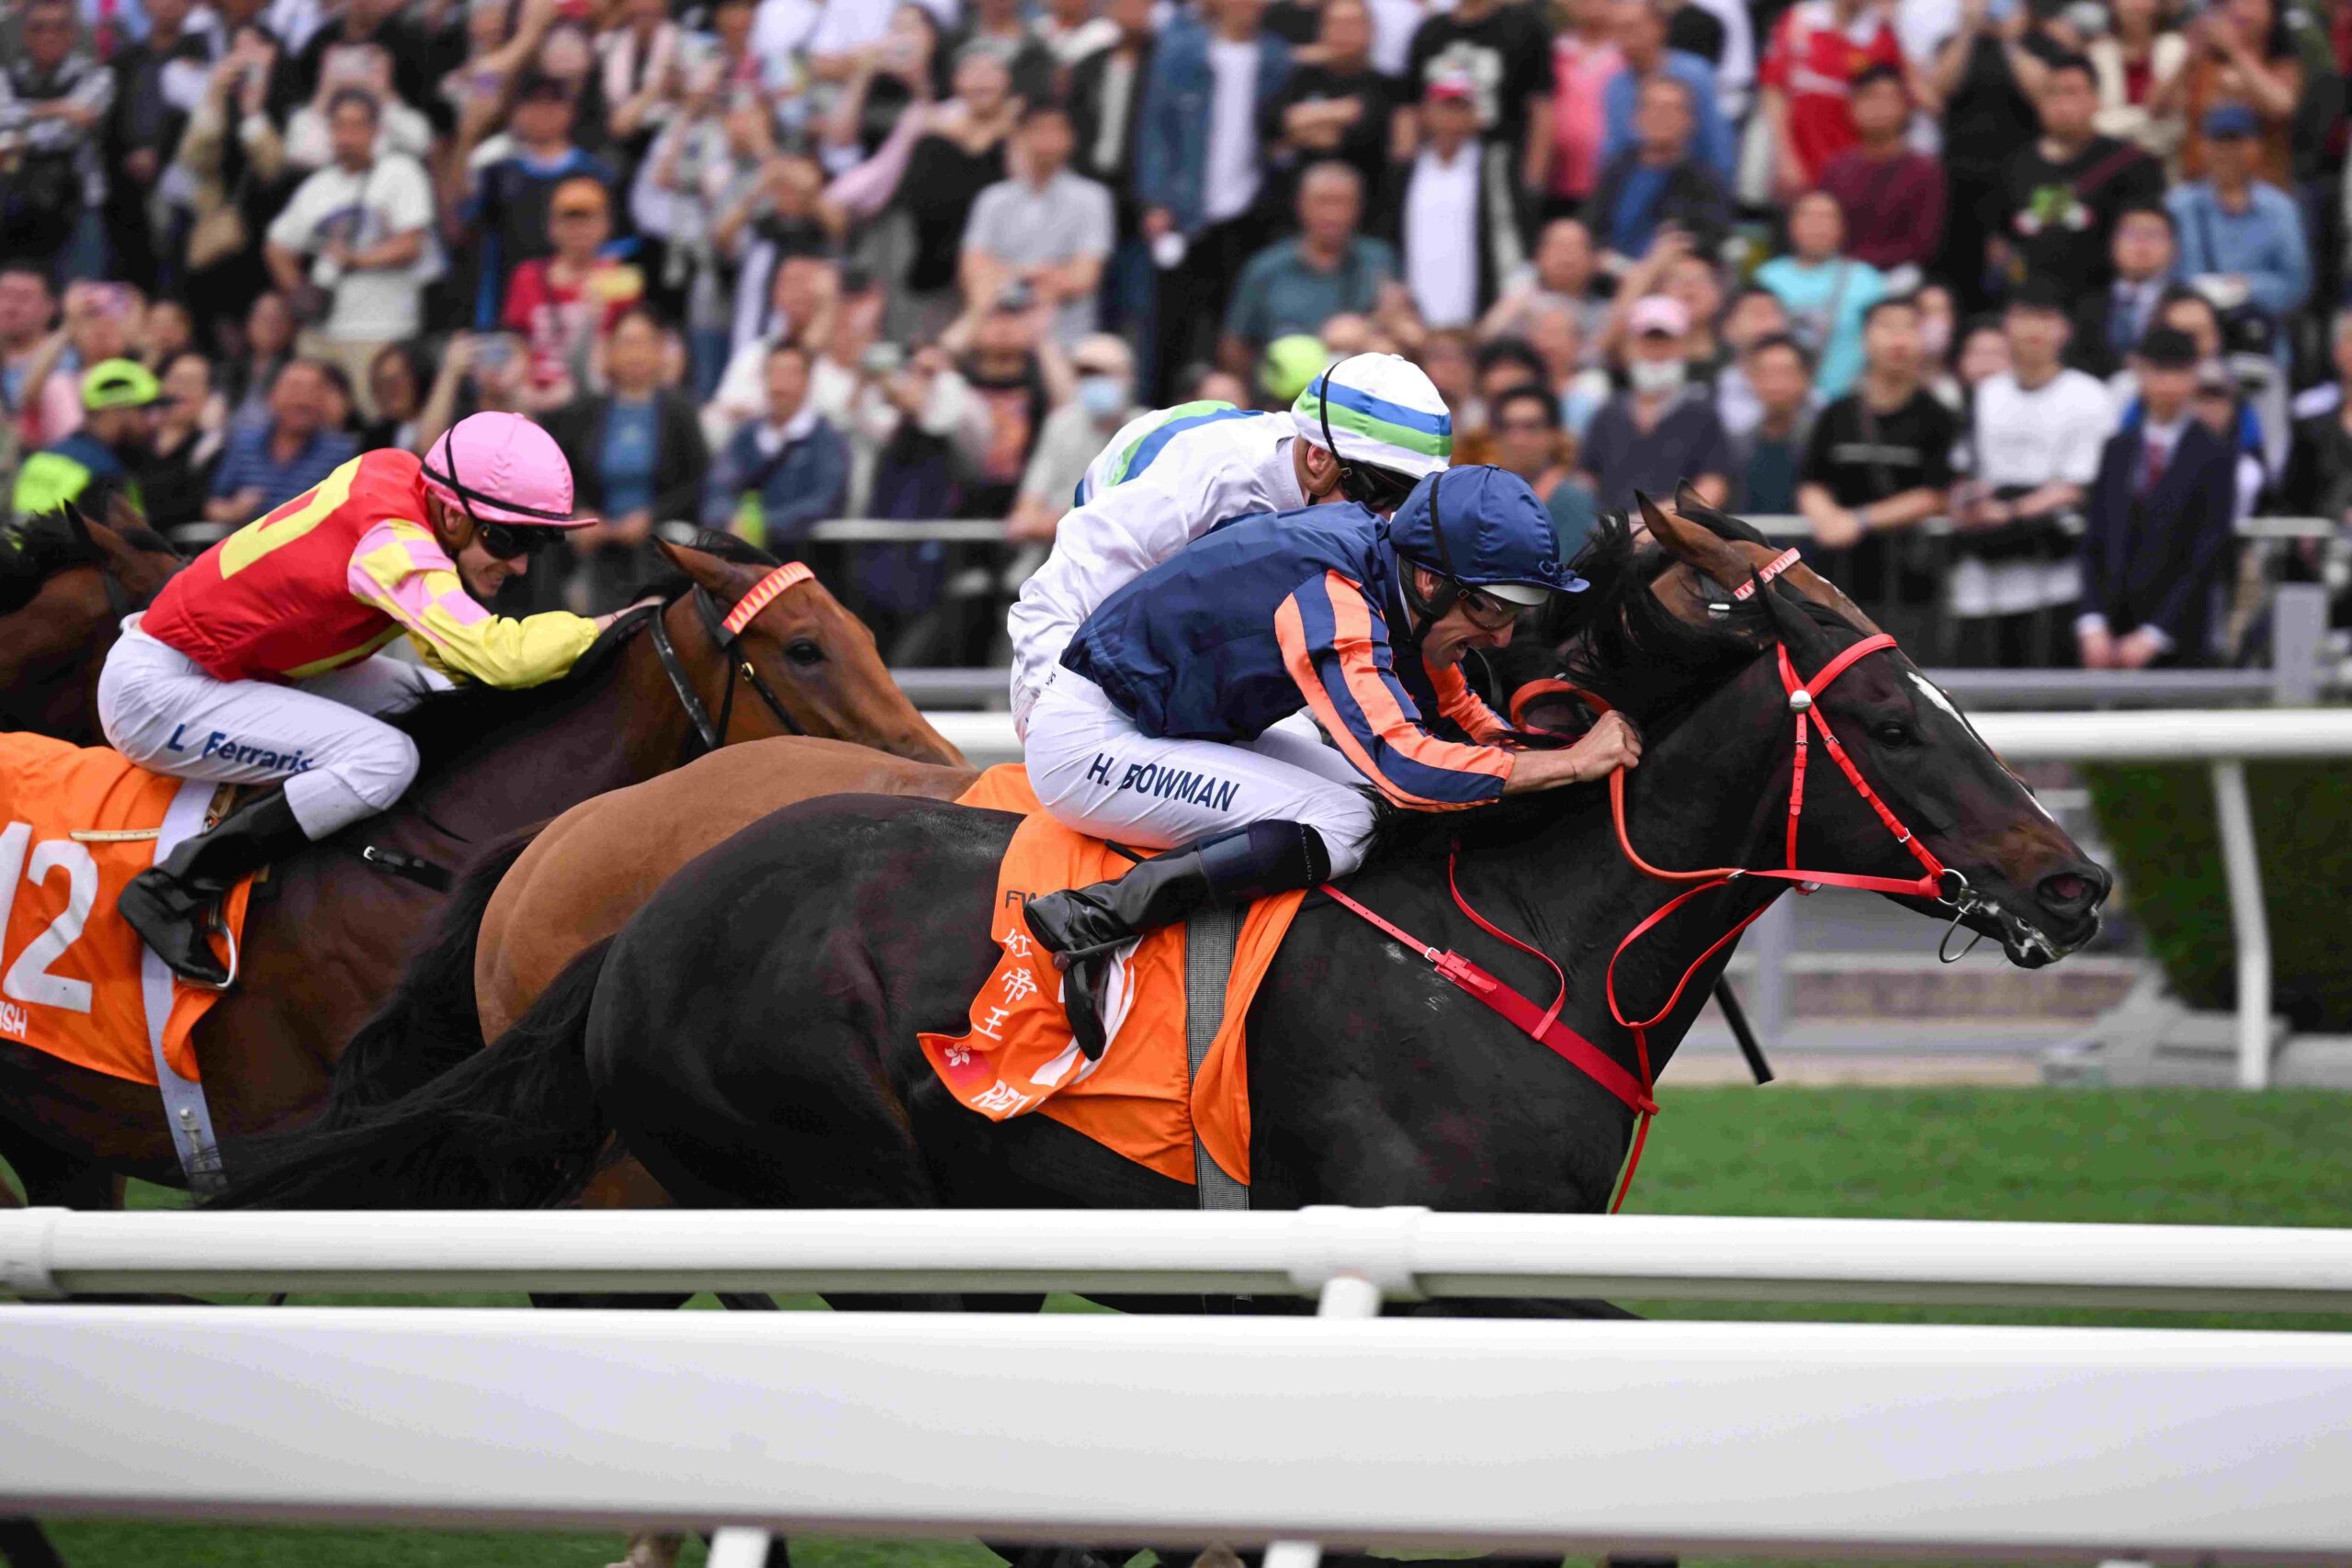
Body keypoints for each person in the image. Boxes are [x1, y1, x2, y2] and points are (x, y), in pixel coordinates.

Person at [1021, 464, 1636, 1055]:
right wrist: (1572, 764)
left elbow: (1458, 711)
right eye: (1494, 607)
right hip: (1092, 739)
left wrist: (1542, 752)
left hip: (1182, 727)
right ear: (1432, 582)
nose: (1503, 636)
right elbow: (1405, 765)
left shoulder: (1392, 574)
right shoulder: (1334, 586)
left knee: (1375, 809)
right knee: (1347, 817)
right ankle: (1093, 919)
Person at [97, 412, 618, 985]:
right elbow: (499, 656)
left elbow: (457, 661)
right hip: (161, 691)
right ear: (450, 511)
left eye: (536, 543)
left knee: (437, 698)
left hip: (237, 667)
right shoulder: (393, 545)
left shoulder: (401, 475)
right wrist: (608, 627)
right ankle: (171, 888)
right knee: (384, 759)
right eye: (507, 538)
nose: (518, 563)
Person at [1008, 351, 1450, 740]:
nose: (1387, 520)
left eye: (1408, 500)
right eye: (1382, 493)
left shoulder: (1328, 473)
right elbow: (1052, 602)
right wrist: (1060, 721)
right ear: (1318, 459)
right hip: (1080, 648)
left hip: (1201, 664)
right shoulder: (1200, 477)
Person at [1948, 280, 2113, 667]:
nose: (2033, 330)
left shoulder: (2088, 395)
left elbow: (2078, 487)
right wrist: (1967, 503)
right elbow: (1962, 471)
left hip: (2056, 583)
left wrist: (2009, 511)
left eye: (2045, 319)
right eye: (2024, 318)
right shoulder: (1985, 393)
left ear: (2065, 329)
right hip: (1982, 583)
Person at [263, 87, 435, 417]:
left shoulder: (399, 172)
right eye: (339, 126)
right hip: (321, 335)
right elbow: (277, 245)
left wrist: (355, 259)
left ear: (375, 131)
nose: (347, 136)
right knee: (315, 432)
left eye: (357, 126)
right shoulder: (316, 187)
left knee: (376, 430)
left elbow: (412, 244)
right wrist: (297, 290)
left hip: (382, 333)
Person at [1796, 295, 1958, 643]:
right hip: (1836, 582)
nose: (1898, 339)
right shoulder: (1836, 414)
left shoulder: (1938, 418)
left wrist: (1858, 521)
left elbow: (1937, 495)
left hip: (1911, 586)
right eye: (1886, 327)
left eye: (1909, 327)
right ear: (1864, 339)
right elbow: (1812, 481)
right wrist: (1825, 519)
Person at [2076, 326, 2236, 670]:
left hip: (2181, 639)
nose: (2168, 384)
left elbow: (2207, 553)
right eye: (2158, 371)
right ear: (2139, 373)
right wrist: (2092, 621)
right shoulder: (2117, 449)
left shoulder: (2215, 454)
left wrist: (2155, 634)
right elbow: (2095, 539)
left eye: (2179, 372)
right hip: (2109, 634)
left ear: (2195, 376)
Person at [541, 309, 709, 613]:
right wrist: (582, 516)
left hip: (663, 544)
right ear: (609, 352)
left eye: (642, 343)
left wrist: (651, 517)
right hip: (597, 544)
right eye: (625, 343)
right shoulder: (586, 412)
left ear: (659, 351)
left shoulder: (679, 411)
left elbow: (698, 481)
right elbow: (564, 475)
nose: (634, 354)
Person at [1997, 54, 2165, 299]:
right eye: (2052, 93)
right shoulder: (2016, 166)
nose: (2062, 104)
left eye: (2072, 92)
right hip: (2033, 305)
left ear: (2096, 100)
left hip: (2103, 303)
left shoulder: (2131, 164)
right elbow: (2004, 241)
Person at [960, 101, 1117, 349]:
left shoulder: (1093, 199)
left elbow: (1084, 278)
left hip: (1066, 338)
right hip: (997, 334)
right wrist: (1041, 274)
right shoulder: (992, 199)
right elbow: (973, 272)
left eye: (1056, 130)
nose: (1046, 140)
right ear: (1019, 136)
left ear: (1071, 139)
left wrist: (1005, 277)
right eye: (1037, 129)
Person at [1221, 162, 1397, 374]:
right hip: (1283, 391)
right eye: (1322, 202)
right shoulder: (1266, 268)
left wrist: (1368, 329)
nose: (1333, 214)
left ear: (1359, 207)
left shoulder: (1379, 261)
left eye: (1343, 203)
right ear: (1300, 204)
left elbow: (1409, 332)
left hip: (1358, 392)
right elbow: (1234, 345)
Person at [501, 175, 647, 410]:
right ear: (552, 226)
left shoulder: (620, 279)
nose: (578, 230)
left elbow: (627, 351)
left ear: (605, 225)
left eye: (587, 220)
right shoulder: (527, 277)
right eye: (569, 220)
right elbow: (518, 344)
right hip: (535, 395)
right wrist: (522, 387)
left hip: (596, 394)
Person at [2164, 105, 2311, 337]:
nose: (2226, 152)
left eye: (2236, 142)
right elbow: (2160, 277)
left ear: (2256, 147)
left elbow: (2297, 285)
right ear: (2202, 147)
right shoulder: (2179, 205)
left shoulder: (2280, 209)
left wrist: (2245, 287)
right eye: (2218, 142)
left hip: (2257, 338)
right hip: (2189, 338)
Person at [1580, 293, 1732, 511]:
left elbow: (1714, 485)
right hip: (1614, 537)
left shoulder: (1702, 413)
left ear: (1684, 347)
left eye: (1666, 343)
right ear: (1629, 348)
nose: (1656, 353)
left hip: (1679, 536)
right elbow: (1587, 479)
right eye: (1647, 343)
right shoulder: (1609, 412)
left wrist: (1658, 521)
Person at [702, 340, 848, 547]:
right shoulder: (745, 435)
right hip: (745, 562)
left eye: (790, 374)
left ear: (808, 381)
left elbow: (825, 502)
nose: (780, 384)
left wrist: (763, 525)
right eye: (773, 373)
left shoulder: (827, 440)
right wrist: (728, 520)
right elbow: (719, 488)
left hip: (803, 562)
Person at [1755, 0, 1903, 197]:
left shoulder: (1881, 36)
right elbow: (1773, 88)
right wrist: (1785, 157)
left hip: (1852, 177)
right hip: (1796, 172)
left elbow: (1899, 105)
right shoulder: (1799, 20)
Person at [1587, 74, 1734, 270]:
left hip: (1668, 284)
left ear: (1691, 121)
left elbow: (1707, 244)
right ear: (1635, 118)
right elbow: (1590, 227)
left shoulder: (1706, 182)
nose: (1662, 117)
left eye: (1672, 110)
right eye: (1653, 108)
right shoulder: (1617, 170)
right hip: (1604, 277)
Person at [1815, 64, 1945, 275]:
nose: (1878, 108)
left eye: (1887, 99)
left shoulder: (1925, 171)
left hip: (1901, 276)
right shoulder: (1837, 169)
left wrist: (1862, 263)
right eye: (1868, 98)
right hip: (1839, 275)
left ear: (1905, 107)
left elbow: (1924, 244)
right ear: (1852, 107)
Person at [1755, 190, 1885, 399]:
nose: (1817, 225)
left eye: (1826, 217)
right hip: (1780, 399)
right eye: (1808, 216)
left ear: (1841, 228)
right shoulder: (1767, 277)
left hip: (1846, 399)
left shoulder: (1867, 280)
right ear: (1791, 225)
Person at [206, 359, 359, 520]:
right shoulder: (243, 442)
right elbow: (213, 503)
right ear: (271, 396)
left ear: (324, 401)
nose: (302, 400)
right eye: (294, 389)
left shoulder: (342, 452)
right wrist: (233, 511)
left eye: (312, 391)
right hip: (249, 540)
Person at [12, 359, 158, 519]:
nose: (152, 421)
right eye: (145, 410)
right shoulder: (104, 473)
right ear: (119, 411)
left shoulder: (41, 457)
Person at [1487, 382, 1600, 556]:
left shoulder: (1574, 501)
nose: (1517, 440)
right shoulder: (1482, 497)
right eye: (1506, 427)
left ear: (1554, 435)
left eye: (1530, 427)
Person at [2070, 204, 2177, 378]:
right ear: (2113, 243)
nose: (2142, 244)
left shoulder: (2187, 304)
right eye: (2132, 234)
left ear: (2174, 247)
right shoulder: (2086, 306)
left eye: (2153, 235)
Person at [1728, 333, 1814, 513]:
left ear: (1805, 376)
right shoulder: (1736, 445)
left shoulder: (1824, 440)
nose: (1775, 383)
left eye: (1785, 372)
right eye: (1765, 373)